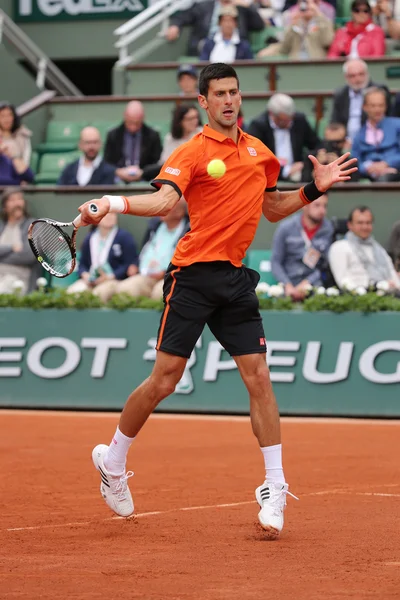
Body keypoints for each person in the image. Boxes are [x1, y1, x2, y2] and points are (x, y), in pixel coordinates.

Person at [78, 63, 357, 538]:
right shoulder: (189, 153)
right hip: (191, 278)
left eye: (234, 92)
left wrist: (313, 188)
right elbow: (166, 202)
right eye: (219, 94)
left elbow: (271, 208)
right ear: (203, 103)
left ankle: (274, 486)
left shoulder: (258, 152)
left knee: (260, 377)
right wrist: (113, 203)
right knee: (164, 381)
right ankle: (114, 459)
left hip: (234, 281)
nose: (229, 100)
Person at [114, 199, 190, 300]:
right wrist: (136, 265)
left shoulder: (189, 231)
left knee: (160, 293)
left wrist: (166, 272)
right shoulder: (154, 226)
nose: (161, 209)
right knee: (125, 289)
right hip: (146, 274)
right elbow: (145, 251)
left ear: (179, 213)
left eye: (167, 207)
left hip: (172, 277)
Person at [247, 93, 321, 182]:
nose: (289, 123)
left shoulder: (299, 120)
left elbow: (316, 145)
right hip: (269, 174)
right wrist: (286, 170)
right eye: (284, 121)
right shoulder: (258, 125)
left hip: (298, 172)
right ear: (272, 114)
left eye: (290, 119)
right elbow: (255, 157)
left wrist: (305, 164)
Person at [271, 195, 333, 299]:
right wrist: (287, 285)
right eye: (317, 205)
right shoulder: (286, 227)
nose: (322, 211)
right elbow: (276, 262)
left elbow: (326, 265)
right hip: (287, 284)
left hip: (314, 285)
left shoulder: (328, 229)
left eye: (325, 206)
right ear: (304, 206)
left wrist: (308, 282)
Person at [67, 213, 139, 303]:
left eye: (113, 214)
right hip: (90, 280)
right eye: (105, 215)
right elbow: (82, 265)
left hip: (114, 280)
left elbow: (129, 264)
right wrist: (86, 276)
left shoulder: (125, 237)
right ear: (96, 219)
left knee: (98, 295)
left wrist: (110, 277)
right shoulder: (90, 238)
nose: (109, 217)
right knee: (73, 293)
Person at [329, 206, 400, 290]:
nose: (364, 227)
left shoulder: (379, 249)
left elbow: (392, 275)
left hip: (389, 296)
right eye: (360, 223)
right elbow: (343, 281)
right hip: (359, 298)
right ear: (349, 225)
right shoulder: (339, 247)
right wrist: (374, 288)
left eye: (368, 223)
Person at [165, 0, 264, 56]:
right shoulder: (203, 6)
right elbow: (182, 16)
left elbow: (259, 25)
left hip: (236, 49)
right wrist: (175, 26)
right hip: (206, 47)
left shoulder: (242, 8)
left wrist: (248, 5)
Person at [330, 59, 391, 142]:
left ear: (367, 74)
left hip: (372, 139)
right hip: (345, 141)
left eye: (361, 74)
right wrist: (342, 141)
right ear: (346, 77)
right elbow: (335, 122)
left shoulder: (378, 91)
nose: (357, 79)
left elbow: (388, 118)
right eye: (352, 76)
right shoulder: (340, 94)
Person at [104, 101, 162, 184]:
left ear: (143, 118)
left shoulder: (153, 135)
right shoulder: (113, 135)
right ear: (125, 116)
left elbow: (157, 162)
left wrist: (143, 172)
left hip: (145, 179)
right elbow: (107, 162)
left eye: (137, 123)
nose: (133, 127)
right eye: (130, 122)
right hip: (118, 179)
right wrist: (118, 171)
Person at [141, 104, 203, 182]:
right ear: (180, 121)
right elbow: (165, 163)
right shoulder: (170, 138)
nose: (195, 121)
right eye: (190, 119)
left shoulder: (202, 134)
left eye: (196, 117)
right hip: (175, 177)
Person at [351, 87, 400, 181]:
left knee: (385, 178)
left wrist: (387, 164)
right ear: (364, 107)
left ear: (386, 106)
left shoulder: (397, 125)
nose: (377, 110)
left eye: (381, 105)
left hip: (395, 171)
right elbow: (356, 159)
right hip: (369, 173)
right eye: (373, 106)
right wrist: (367, 168)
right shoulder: (359, 134)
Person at [258, 0, 334, 59]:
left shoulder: (323, 22)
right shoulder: (295, 21)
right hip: (296, 64)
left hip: (316, 63)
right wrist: (293, 24)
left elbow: (327, 41)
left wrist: (318, 14)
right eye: (303, 3)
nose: (306, 6)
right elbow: (285, 47)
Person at [0, 187, 37, 295]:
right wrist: (11, 248)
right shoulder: (1, 226)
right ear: (5, 207)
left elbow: (28, 255)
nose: (17, 203)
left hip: (18, 280)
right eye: (12, 200)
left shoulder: (33, 226)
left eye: (19, 199)